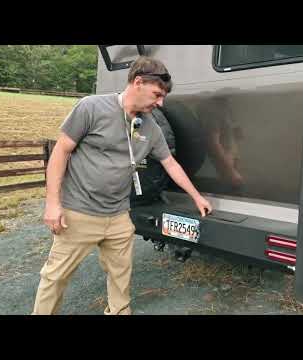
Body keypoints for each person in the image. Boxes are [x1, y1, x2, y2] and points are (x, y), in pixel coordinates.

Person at [32, 56, 213, 315]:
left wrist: (196, 197)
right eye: (157, 94)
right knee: (55, 277)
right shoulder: (91, 107)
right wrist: (52, 203)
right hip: (79, 213)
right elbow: (61, 152)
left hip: (118, 215)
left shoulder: (150, 128)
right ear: (138, 82)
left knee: (120, 278)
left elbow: (170, 163)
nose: (160, 103)